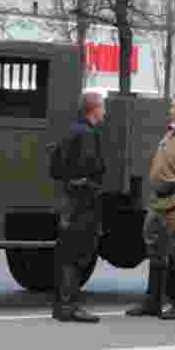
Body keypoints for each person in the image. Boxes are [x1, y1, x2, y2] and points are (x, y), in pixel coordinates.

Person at [126, 88, 175, 320]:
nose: (173, 110)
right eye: (172, 106)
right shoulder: (171, 133)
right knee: (155, 251)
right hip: (159, 202)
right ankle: (153, 301)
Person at [52, 90, 107, 323]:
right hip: (83, 202)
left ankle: (61, 306)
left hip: (68, 199)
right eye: (102, 107)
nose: (104, 111)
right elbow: (91, 166)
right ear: (94, 109)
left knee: (66, 252)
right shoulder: (88, 134)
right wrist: (91, 186)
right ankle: (71, 306)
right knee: (77, 255)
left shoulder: (69, 131)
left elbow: (54, 168)